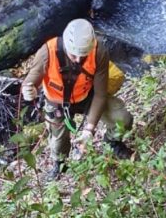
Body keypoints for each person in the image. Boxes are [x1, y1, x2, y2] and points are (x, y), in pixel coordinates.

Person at [21, 18, 133, 180]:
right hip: (57, 102)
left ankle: (112, 142)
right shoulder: (47, 52)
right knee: (58, 143)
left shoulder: (98, 52)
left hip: (87, 96)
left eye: (83, 55)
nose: (79, 60)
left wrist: (89, 129)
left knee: (122, 119)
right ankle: (60, 164)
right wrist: (28, 90)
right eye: (74, 55)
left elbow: (101, 94)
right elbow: (31, 80)